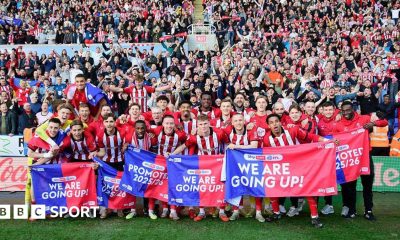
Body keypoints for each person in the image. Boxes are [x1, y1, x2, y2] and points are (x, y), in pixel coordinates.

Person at [262, 113, 333, 228]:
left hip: (298, 166)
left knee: (308, 189)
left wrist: (326, 141)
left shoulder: (293, 129)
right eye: (271, 122)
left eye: (276, 121)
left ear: (280, 122)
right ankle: (276, 213)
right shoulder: (266, 139)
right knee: (272, 190)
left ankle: (314, 217)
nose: (274, 124)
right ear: (268, 126)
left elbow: (311, 137)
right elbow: (265, 154)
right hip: (281, 168)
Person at [334, 101, 388, 220]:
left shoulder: (364, 119)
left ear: (353, 109)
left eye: (348, 110)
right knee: (350, 186)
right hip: (350, 158)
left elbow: (384, 122)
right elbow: (335, 139)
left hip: (365, 157)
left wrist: (373, 124)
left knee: (367, 185)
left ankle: (368, 210)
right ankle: (352, 210)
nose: (345, 113)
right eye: (343, 111)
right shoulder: (338, 124)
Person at [172, 114, 229, 222]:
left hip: (218, 164)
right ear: (197, 125)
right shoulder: (194, 137)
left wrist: (228, 157)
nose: (203, 126)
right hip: (202, 163)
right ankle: (202, 212)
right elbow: (184, 146)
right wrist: (172, 155)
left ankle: (221, 211)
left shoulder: (219, 133)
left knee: (220, 187)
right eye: (201, 124)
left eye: (205, 124)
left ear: (209, 123)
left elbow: (228, 144)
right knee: (202, 187)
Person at [225, 114, 264, 222]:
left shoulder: (251, 130)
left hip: (252, 162)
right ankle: (236, 211)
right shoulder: (228, 131)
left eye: (240, 120)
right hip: (236, 163)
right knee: (237, 184)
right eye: (236, 121)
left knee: (255, 184)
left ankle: (258, 212)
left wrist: (236, 146)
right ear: (232, 123)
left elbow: (254, 146)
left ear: (244, 121)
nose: (238, 122)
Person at [96, 113, 126, 219]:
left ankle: (119, 208)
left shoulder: (122, 132)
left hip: (120, 162)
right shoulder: (100, 135)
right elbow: (102, 153)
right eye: (106, 122)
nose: (109, 124)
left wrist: (125, 146)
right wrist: (93, 154)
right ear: (103, 123)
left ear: (115, 122)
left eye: (111, 121)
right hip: (106, 163)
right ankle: (104, 209)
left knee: (120, 186)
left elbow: (125, 146)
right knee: (105, 186)